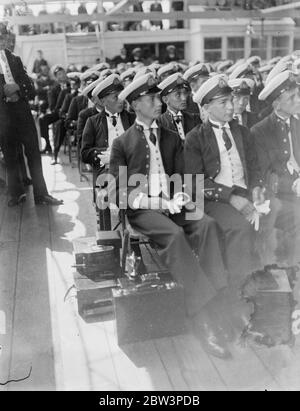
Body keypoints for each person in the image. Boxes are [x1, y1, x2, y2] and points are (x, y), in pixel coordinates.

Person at [108, 73, 232, 359]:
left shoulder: (171, 137)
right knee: (175, 237)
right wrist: (155, 202)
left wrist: (183, 197)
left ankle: (215, 298)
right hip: (144, 210)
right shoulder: (122, 144)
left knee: (208, 226)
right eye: (151, 98)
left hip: (174, 203)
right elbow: (119, 192)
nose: (158, 102)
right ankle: (203, 314)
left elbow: (185, 176)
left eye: (157, 97)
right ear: (135, 105)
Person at [185, 74, 266, 289]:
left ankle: (268, 282)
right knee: (239, 228)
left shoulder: (243, 132)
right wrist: (231, 198)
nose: (232, 107)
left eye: (231, 100)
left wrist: (257, 187)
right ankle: (237, 289)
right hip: (216, 200)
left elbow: (254, 167)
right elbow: (195, 182)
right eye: (224, 102)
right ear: (207, 107)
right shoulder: (195, 138)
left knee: (274, 215)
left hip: (245, 193)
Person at [0, 26, 63, 206]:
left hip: (22, 114)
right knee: (10, 156)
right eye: (3, 38)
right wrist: (4, 92)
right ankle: (16, 194)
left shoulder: (15, 59)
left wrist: (18, 88)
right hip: (3, 118)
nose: (8, 42)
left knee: (34, 154)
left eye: (9, 38)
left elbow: (30, 87)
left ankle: (41, 194)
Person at [251, 70, 300, 265]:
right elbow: (266, 175)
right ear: (276, 103)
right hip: (280, 194)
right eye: (292, 97)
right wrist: (294, 185)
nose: (298, 100)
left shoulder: (298, 123)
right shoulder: (261, 131)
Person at [81, 74, 135, 229]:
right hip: (107, 172)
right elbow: (85, 153)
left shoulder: (132, 118)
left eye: (121, 96)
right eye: (115, 97)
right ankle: (109, 237)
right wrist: (106, 152)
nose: (121, 100)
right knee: (108, 193)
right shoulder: (92, 122)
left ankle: (132, 237)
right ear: (103, 101)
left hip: (132, 168)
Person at [158, 72, 200, 142]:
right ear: (165, 99)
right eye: (178, 95)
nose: (184, 98)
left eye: (185, 93)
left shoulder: (195, 119)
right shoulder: (159, 123)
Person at [39, 65, 68, 154]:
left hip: (72, 112)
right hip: (59, 112)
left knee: (60, 124)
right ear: (56, 77)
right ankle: (48, 145)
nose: (62, 75)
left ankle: (57, 149)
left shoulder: (72, 84)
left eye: (63, 73)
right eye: (59, 74)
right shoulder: (54, 88)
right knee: (42, 119)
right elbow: (52, 106)